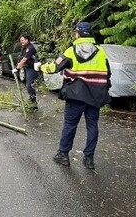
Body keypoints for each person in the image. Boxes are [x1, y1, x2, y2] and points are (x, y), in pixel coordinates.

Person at [38, 22, 111, 169]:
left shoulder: (71, 51)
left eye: (75, 33)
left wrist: (40, 67)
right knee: (92, 126)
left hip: (75, 96)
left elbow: (54, 67)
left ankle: (63, 155)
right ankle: (89, 159)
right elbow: (108, 74)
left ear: (78, 34)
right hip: (95, 96)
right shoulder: (101, 52)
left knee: (70, 125)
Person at [13, 33, 38, 109]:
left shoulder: (30, 48)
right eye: (21, 40)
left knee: (29, 85)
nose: (21, 42)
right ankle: (31, 100)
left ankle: (33, 103)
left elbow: (24, 59)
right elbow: (21, 58)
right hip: (27, 68)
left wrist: (17, 69)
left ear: (27, 40)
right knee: (27, 85)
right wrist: (18, 66)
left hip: (32, 69)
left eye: (22, 40)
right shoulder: (24, 47)